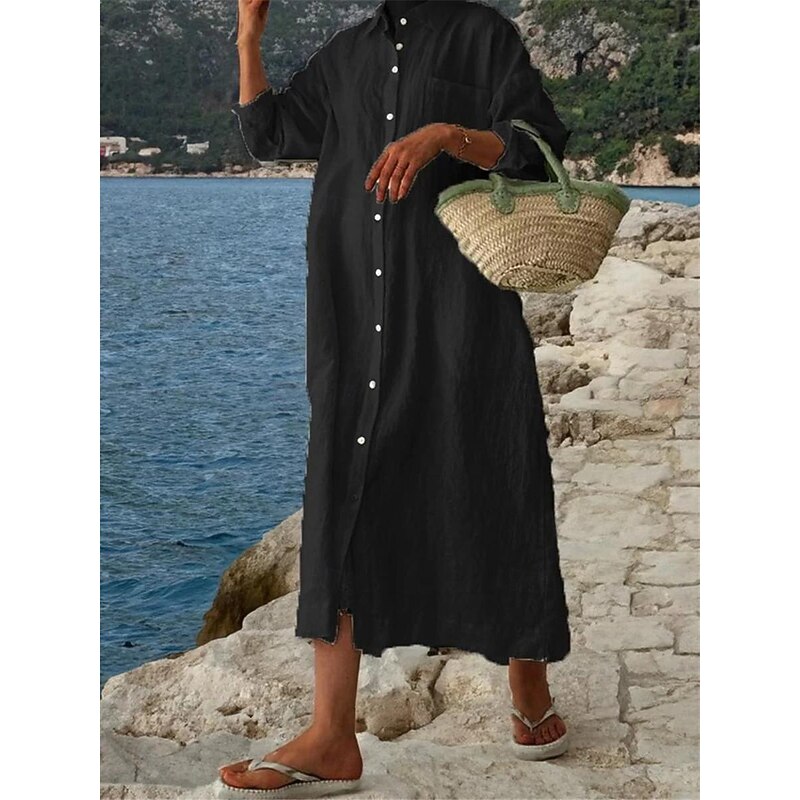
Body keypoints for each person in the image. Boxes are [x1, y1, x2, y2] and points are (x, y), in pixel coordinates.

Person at [215, 1, 573, 795]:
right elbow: (270, 133)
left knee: (495, 474)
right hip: (354, 312)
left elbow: (534, 146)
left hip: (458, 308)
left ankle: (528, 680)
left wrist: (445, 135)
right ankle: (331, 736)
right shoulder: (346, 54)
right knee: (341, 493)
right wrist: (248, 36)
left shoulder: (485, 36)